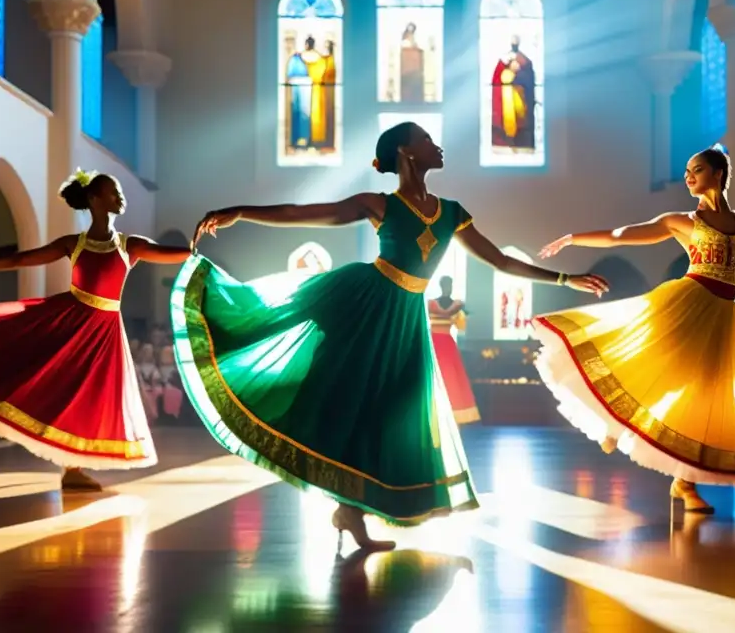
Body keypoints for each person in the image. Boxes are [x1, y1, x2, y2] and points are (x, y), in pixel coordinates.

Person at [177, 122, 609, 551]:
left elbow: (499, 261)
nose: (436, 145)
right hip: (366, 306)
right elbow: (298, 212)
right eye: (426, 140)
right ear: (405, 152)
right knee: (355, 406)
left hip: (407, 321)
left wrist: (565, 278)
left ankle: (351, 511)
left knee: (394, 413)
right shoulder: (377, 205)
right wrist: (239, 211)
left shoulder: (452, 212)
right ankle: (349, 509)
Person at [536, 145, 735, 514]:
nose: (688, 176)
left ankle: (683, 483)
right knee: (657, 363)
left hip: (722, 314)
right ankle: (615, 422)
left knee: (707, 395)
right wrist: (574, 238)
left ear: (718, 174)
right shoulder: (680, 221)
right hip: (688, 301)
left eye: (697, 169)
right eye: (687, 170)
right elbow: (622, 234)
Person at [0, 170, 191, 490]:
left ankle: (73, 467)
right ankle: (70, 467)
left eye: (119, 192)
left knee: (92, 397)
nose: (120, 197)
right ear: (94, 199)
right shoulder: (74, 244)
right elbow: (19, 260)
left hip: (105, 331)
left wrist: (196, 248)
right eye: (113, 192)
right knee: (63, 390)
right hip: (70, 322)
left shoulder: (131, 245)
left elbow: (178, 255)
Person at [428, 275, 480, 424]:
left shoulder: (434, 305)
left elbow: (461, 327)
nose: (447, 288)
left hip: (441, 342)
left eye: (449, 285)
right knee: (440, 376)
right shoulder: (452, 306)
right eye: (445, 285)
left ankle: (449, 413)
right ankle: (435, 413)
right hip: (441, 343)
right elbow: (461, 326)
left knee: (449, 378)